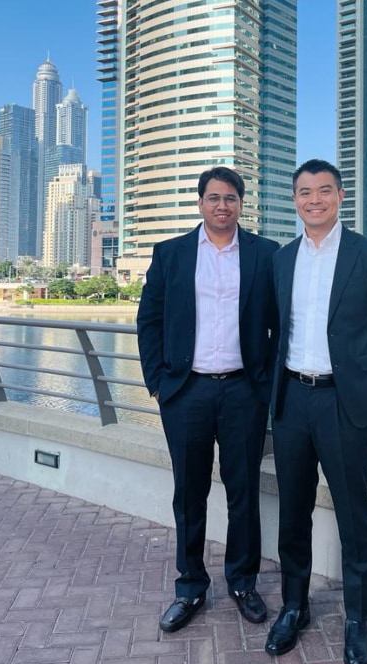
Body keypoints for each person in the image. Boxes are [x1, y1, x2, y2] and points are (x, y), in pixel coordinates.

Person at [263, 159, 367, 664]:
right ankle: (294, 606)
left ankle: (357, 618)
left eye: (324, 190)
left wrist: (353, 379)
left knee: (352, 512)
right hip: (293, 401)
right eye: (305, 192)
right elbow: (277, 327)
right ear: (294, 200)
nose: (314, 199)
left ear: (340, 196)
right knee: (293, 511)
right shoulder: (282, 259)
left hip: (343, 402)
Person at [136, 166, 279, 633]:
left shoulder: (265, 254)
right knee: (189, 493)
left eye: (231, 198)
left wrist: (266, 385)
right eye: (214, 197)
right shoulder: (171, 253)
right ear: (200, 202)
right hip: (186, 391)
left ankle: (243, 583)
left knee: (244, 493)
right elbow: (149, 320)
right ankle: (190, 587)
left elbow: (280, 324)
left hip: (244, 392)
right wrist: (158, 383)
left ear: (241, 204)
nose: (222, 205)